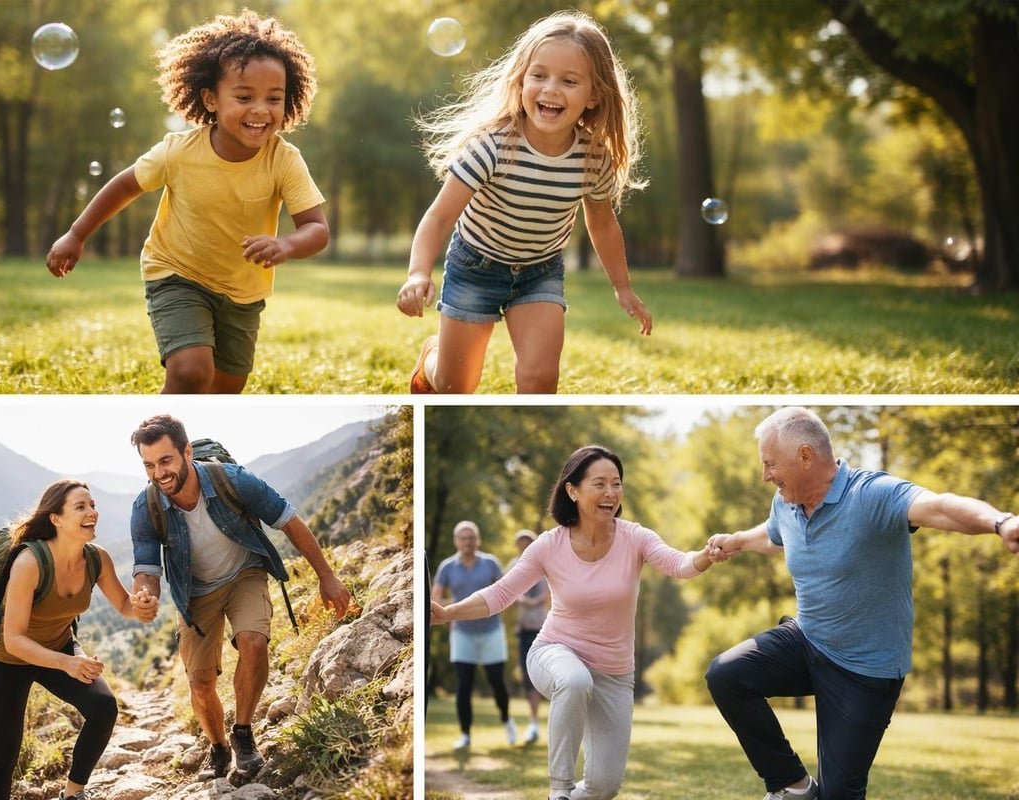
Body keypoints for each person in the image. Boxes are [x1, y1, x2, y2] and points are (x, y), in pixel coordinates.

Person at [705, 406, 1019, 800]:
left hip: (865, 669)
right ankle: (794, 787)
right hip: (808, 640)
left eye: (770, 464)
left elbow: (941, 506)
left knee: (840, 794)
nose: (765, 475)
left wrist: (1001, 522)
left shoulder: (872, 495)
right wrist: (737, 540)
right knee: (726, 675)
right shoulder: (785, 502)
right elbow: (774, 537)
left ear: (805, 456)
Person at [45, 10, 328, 394]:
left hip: (243, 292)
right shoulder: (178, 152)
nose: (261, 109)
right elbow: (124, 186)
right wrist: (76, 234)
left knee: (226, 389)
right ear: (211, 99)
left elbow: (317, 229)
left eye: (273, 98)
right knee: (191, 372)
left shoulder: (284, 159)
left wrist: (286, 244)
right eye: (244, 97)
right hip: (177, 273)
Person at [431, 446, 719, 799]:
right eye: (599, 484)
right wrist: (448, 612)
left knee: (604, 787)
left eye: (616, 483)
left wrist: (705, 556)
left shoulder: (635, 538)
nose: (611, 493)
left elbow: (680, 564)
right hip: (554, 653)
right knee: (574, 678)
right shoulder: (548, 546)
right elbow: (500, 594)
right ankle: (559, 789)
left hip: (615, 674)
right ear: (573, 490)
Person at [396, 10, 652, 395]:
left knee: (540, 378)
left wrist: (622, 287)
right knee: (454, 388)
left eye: (569, 81)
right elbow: (439, 216)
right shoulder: (493, 146)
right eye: (539, 75)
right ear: (520, 81)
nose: (551, 89)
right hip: (474, 267)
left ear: (594, 94)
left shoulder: (593, 157)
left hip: (539, 272)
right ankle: (432, 362)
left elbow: (601, 223)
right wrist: (418, 273)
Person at [128, 414, 352, 779]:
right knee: (200, 684)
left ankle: (243, 733)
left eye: (165, 460)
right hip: (194, 591)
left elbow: (290, 521)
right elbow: (147, 569)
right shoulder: (146, 506)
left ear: (187, 452)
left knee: (253, 642)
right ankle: (217, 746)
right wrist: (145, 596)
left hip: (244, 571)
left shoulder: (233, 480)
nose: (159, 473)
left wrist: (327, 577)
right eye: (149, 465)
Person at [0, 479, 158, 800]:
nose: (92, 512)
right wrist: (68, 663)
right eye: (81, 507)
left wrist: (141, 606)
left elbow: (123, 605)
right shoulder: (29, 563)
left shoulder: (96, 558)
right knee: (5, 754)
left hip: (60, 647)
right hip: (7, 661)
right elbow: (14, 639)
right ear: (56, 519)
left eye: (92, 505)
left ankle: (73, 794)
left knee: (103, 708)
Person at [432, 520, 516, 749]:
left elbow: (506, 592)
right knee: (464, 684)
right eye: (463, 538)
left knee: (497, 682)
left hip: (491, 631)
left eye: (471, 538)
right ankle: (466, 734)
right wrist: (455, 609)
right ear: (456, 541)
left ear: (477, 540)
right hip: (462, 633)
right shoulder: (447, 567)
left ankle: (507, 721)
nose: (467, 542)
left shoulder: (490, 563)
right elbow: (435, 599)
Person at [507, 529, 550, 743]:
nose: (524, 547)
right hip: (523, 627)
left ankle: (543, 722)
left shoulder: (545, 563)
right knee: (527, 674)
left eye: (528, 543)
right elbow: (506, 591)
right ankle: (533, 723)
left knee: (544, 674)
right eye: (521, 544)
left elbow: (549, 593)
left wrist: (531, 601)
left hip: (545, 627)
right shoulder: (514, 566)